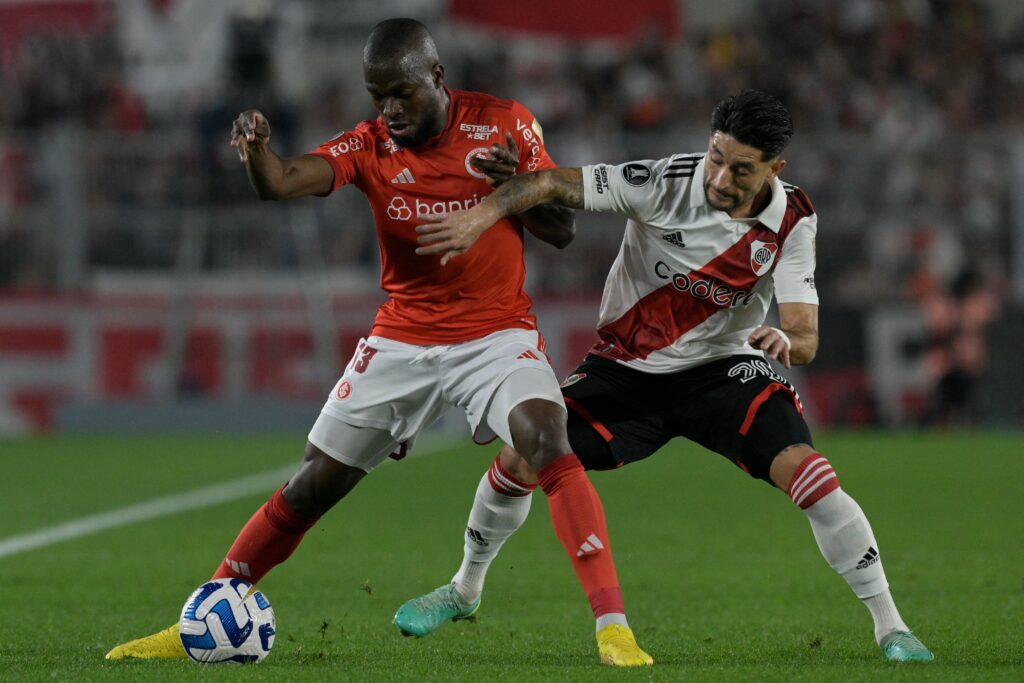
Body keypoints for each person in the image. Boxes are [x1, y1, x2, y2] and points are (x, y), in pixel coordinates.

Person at [105, 18, 652, 667]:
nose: (389, 110)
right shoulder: (369, 143)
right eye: (377, 95)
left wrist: (515, 192)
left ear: (437, 78)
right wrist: (256, 154)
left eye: (401, 93)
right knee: (312, 484)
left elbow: (559, 229)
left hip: (494, 332)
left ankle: (612, 627)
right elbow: (282, 182)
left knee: (545, 437)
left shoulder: (505, 123)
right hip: (402, 336)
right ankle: (205, 611)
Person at [395, 90, 934, 662]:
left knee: (812, 475)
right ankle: (464, 589)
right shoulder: (662, 181)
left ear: (775, 169)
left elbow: (805, 336)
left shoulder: (794, 220)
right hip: (625, 369)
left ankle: (891, 627)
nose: (721, 177)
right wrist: (484, 213)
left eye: (741, 168)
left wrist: (785, 340)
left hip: (723, 370)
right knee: (521, 458)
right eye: (716, 157)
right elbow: (553, 184)